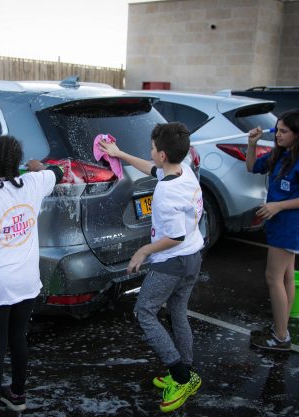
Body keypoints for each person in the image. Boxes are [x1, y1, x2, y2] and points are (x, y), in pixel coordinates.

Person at [99, 122, 204, 413]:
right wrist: (119, 153)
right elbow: (151, 168)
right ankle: (187, 371)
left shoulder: (166, 193)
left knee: (144, 311)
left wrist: (143, 251)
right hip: (194, 255)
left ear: (162, 154)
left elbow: (175, 237)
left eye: (153, 148)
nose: (150, 151)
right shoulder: (184, 172)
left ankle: (181, 378)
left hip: (173, 260)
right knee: (177, 312)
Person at [0, 136, 63, 417]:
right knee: (18, 337)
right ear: (17, 161)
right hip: (27, 279)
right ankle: (18, 394)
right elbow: (59, 172)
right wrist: (37, 167)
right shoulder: (34, 183)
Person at [246, 109, 299, 352]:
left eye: (284, 131)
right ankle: (282, 327)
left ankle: (280, 337)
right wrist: (252, 144)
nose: (278, 135)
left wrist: (278, 205)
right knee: (287, 275)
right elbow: (251, 167)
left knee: (273, 277)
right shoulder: (281, 153)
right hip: (280, 224)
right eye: (277, 130)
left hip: (291, 226)